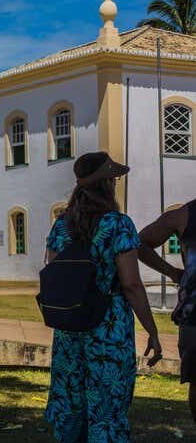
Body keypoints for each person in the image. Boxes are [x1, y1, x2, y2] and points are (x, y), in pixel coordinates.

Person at [44, 152, 162, 442]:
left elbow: (54, 274)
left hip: (70, 327)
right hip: (108, 329)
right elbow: (132, 284)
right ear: (107, 184)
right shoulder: (118, 224)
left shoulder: (61, 225)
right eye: (114, 179)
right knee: (107, 410)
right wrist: (152, 330)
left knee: (72, 405)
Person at [138, 201, 196, 422]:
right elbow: (140, 243)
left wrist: (173, 273)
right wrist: (172, 272)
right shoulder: (185, 215)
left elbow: (140, 243)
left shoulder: (185, 215)